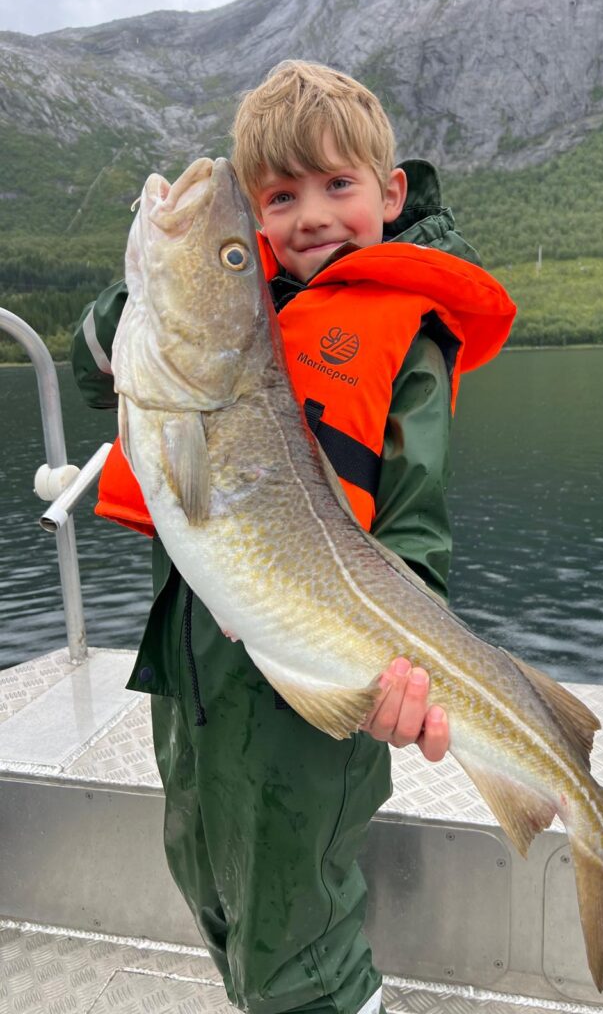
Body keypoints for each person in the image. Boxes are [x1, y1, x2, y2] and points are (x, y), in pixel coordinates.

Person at [71, 60, 515, 1014]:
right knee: (217, 892)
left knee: (297, 951)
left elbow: (415, 530)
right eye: (276, 199)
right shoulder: (220, 337)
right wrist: (152, 286)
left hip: (316, 703)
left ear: (390, 196)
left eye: (338, 186)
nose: (309, 215)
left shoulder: (408, 347)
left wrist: (413, 673)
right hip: (196, 689)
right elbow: (96, 365)